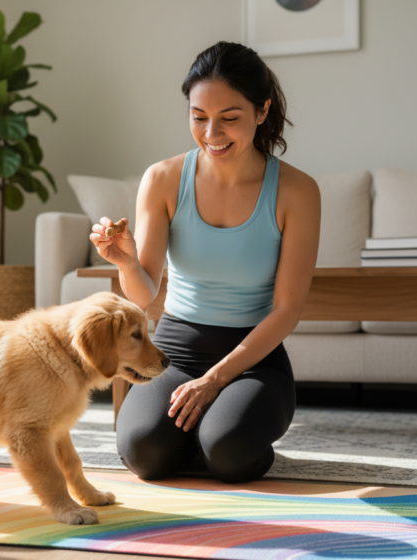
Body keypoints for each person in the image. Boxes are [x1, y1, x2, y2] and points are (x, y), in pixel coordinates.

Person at [89, 42, 320, 483]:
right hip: (173, 353)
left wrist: (214, 381)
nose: (212, 134)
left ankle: (218, 434)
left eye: (229, 118)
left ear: (261, 110)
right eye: (199, 117)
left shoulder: (297, 191)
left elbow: (287, 309)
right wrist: (124, 261)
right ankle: (201, 436)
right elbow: (145, 292)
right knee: (144, 454)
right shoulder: (163, 179)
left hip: (254, 361)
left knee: (231, 454)